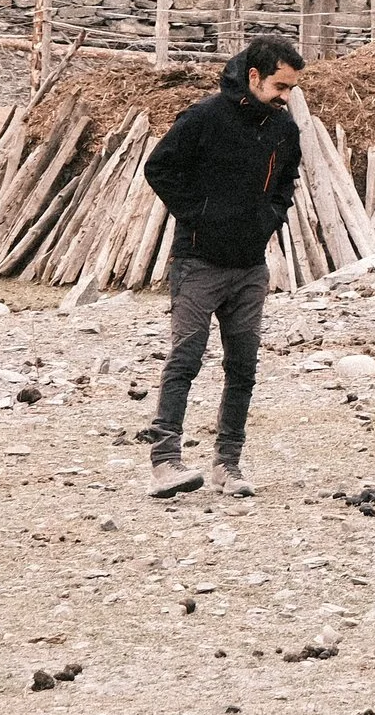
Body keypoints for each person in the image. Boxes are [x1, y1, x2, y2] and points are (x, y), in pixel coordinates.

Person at [139, 37, 305, 499]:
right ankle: (165, 461)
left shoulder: (283, 128)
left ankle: (227, 465)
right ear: (254, 77)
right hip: (199, 263)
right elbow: (160, 168)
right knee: (185, 360)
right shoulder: (203, 118)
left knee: (243, 367)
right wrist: (200, 215)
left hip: (251, 267)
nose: (286, 96)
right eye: (280, 86)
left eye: (291, 88)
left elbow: (288, 180)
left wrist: (270, 219)